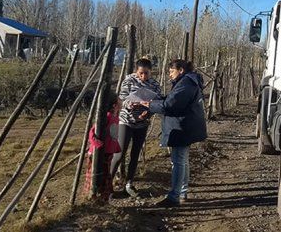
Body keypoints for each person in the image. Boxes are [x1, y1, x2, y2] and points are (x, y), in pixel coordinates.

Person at [137, 59, 207, 207]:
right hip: (186, 125)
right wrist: (154, 103)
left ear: (181, 70)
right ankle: (182, 191)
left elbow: (170, 105)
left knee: (178, 161)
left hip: (182, 127)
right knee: (183, 160)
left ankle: (174, 196)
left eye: (171, 71)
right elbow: (171, 100)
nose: (169, 75)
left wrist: (151, 105)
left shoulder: (186, 83)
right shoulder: (187, 81)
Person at [110, 58, 162, 198]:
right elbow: (121, 99)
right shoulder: (128, 81)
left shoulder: (155, 85)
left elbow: (158, 102)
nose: (143, 76)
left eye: (146, 73)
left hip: (142, 123)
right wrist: (129, 104)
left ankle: (129, 183)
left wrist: (149, 112)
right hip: (126, 120)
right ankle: (107, 183)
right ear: (136, 71)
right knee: (119, 153)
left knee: (135, 154)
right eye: (141, 73)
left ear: (151, 71)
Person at [84, 92, 121, 202]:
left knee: (106, 173)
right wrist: (99, 145)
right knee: (97, 174)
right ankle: (96, 195)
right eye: (119, 100)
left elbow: (112, 136)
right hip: (99, 153)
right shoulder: (106, 117)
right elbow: (91, 133)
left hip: (108, 152)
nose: (121, 101)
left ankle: (105, 194)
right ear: (114, 105)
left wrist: (116, 147)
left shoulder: (115, 117)